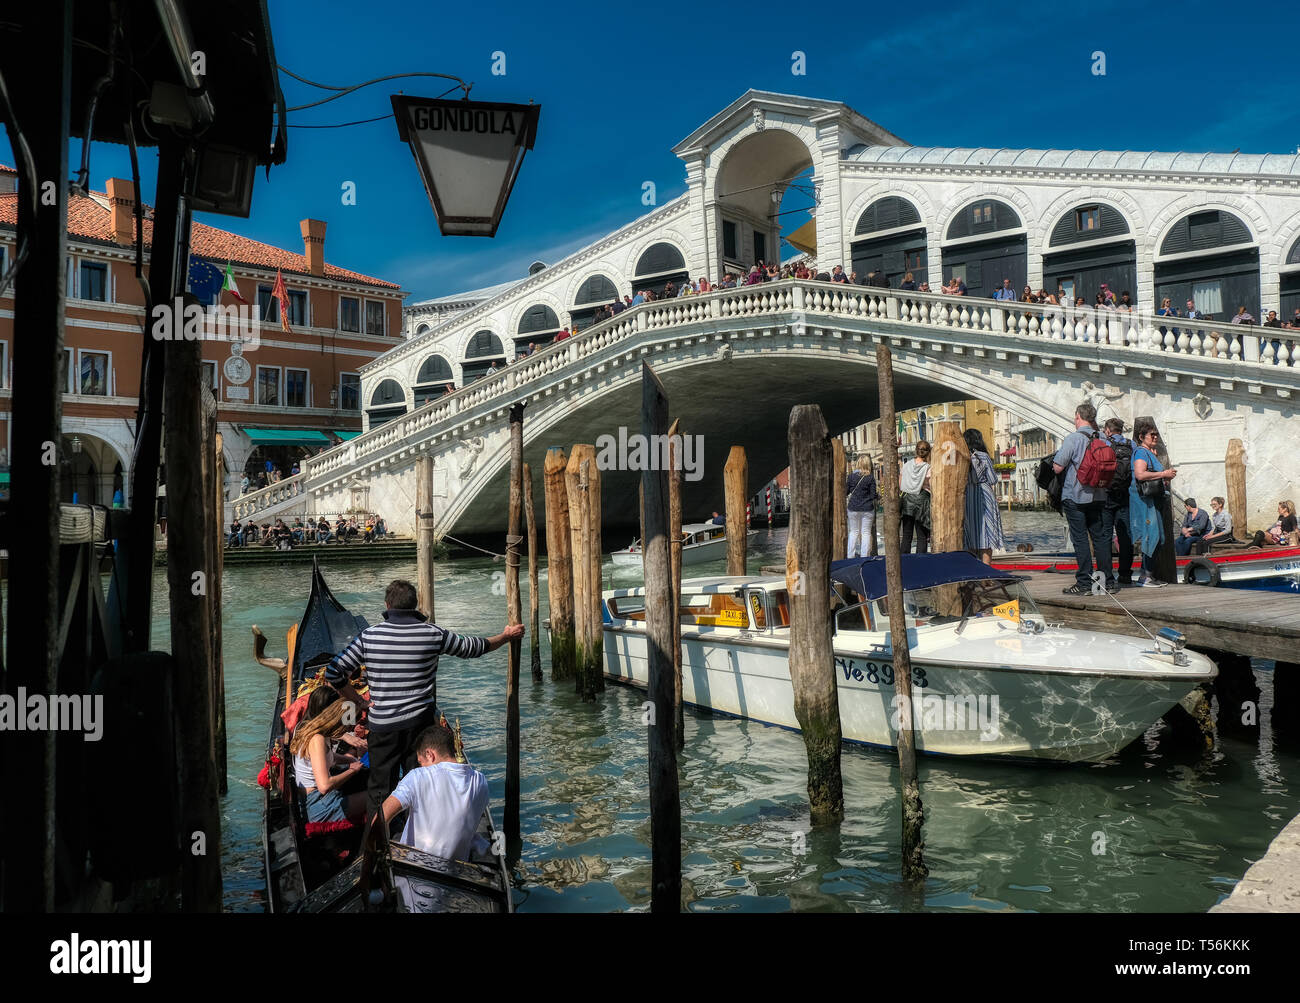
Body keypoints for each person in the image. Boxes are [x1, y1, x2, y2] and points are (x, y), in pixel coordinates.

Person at [325, 579, 524, 813]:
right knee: (419, 786)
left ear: (388, 605)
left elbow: (333, 671)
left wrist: (357, 700)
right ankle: (417, 837)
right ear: (415, 604)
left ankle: (375, 844)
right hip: (419, 727)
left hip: (383, 728)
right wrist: (505, 636)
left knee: (379, 790)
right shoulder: (433, 634)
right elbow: (474, 647)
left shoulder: (369, 636)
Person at [381, 723, 489, 862]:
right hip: (456, 872)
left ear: (429, 754)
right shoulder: (481, 782)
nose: (421, 766)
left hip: (414, 870)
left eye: (420, 762)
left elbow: (381, 818)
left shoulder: (418, 775)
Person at [1052, 403, 1114, 594]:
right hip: (1100, 494)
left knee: (1080, 539)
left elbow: (1057, 467)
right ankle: (1107, 582)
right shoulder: (1104, 438)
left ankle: (1085, 583)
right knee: (1101, 538)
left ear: (1078, 416)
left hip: (1076, 496)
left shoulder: (1073, 438)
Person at [289, 685, 368, 824]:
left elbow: (328, 757)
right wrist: (352, 770)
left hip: (316, 799)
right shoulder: (317, 738)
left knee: (368, 778)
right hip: (318, 804)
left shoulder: (305, 727)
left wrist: (352, 761)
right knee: (380, 795)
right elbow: (324, 786)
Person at [1130, 419, 1178, 587]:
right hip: (1146, 502)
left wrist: (1165, 476)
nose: (1155, 437)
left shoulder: (1150, 452)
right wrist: (1164, 473)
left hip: (1154, 500)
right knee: (1153, 537)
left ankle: (1146, 575)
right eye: (1152, 435)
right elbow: (1140, 475)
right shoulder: (1141, 453)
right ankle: (1146, 577)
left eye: (1156, 434)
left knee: (1159, 538)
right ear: (1142, 437)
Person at [1100, 418, 1135, 585]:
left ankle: (1107, 576)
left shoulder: (1103, 444)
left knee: (1105, 536)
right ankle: (1125, 574)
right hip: (1125, 495)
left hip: (1106, 495)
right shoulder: (1131, 445)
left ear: (1108, 430)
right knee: (1125, 536)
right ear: (1121, 430)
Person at [962, 429, 1004, 564]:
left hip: (968, 495)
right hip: (985, 495)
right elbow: (992, 479)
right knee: (987, 532)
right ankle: (986, 572)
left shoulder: (962, 456)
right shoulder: (983, 456)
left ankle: (973, 571)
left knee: (971, 533)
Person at [899, 441, 932, 554]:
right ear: (928, 453)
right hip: (922, 503)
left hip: (907, 502)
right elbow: (931, 485)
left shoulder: (907, 465)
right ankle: (921, 563)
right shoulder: (929, 468)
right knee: (921, 536)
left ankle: (904, 561)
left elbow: (900, 483)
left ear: (916, 451)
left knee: (907, 535)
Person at [846, 457, 878, 558]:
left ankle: (850, 555)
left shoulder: (851, 476)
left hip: (853, 508)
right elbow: (873, 495)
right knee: (866, 532)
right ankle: (864, 556)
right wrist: (879, 496)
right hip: (867, 508)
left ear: (858, 464)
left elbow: (846, 492)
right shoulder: (870, 478)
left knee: (853, 532)